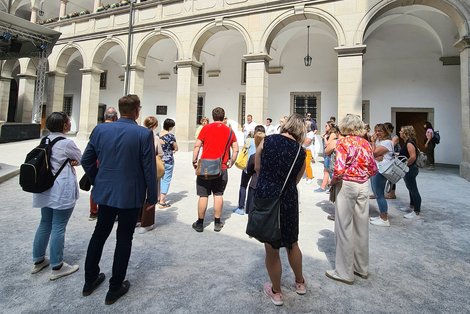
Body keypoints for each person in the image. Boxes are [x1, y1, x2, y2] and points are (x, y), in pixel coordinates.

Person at [81, 94, 157, 305]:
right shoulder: (143, 134)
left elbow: (86, 160)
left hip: (105, 193)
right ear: (136, 111)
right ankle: (114, 287)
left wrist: (99, 179)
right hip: (130, 195)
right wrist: (151, 196)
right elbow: (149, 168)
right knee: (124, 239)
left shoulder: (101, 129)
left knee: (99, 234)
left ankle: (89, 281)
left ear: (119, 109)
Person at [255, 113, 307, 306]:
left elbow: (258, 167)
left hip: (267, 195)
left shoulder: (267, 141)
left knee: (271, 247)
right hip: (288, 199)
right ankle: (300, 283)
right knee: (292, 243)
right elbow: (296, 180)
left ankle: (276, 292)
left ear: (287, 125)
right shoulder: (300, 152)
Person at [325, 114, 377, 285]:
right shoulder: (366, 143)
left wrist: (332, 182)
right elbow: (373, 168)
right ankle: (361, 268)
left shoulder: (343, 143)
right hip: (363, 185)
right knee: (361, 226)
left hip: (347, 184)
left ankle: (344, 271)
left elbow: (338, 169)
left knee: (344, 226)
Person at [31, 112, 82, 280]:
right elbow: (80, 158)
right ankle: (57, 266)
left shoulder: (45, 140)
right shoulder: (67, 143)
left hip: (45, 187)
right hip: (60, 189)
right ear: (65, 125)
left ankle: (38, 260)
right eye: (68, 122)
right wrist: (72, 161)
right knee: (59, 226)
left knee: (45, 223)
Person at [192, 107, 238, 232]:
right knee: (218, 194)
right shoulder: (229, 131)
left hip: (205, 166)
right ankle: (217, 223)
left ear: (213, 117)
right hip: (221, 167)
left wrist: (194, 160)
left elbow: (197, 145)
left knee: (203, 195)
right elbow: (236, 149)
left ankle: (200, 223)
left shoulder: (205, 128)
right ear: (223, 117)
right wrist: (232, 162)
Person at [89, 106, 118, 221]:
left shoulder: (97, 128)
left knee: (96, 186)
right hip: (111, 161)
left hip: (98, 160)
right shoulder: (117, 129)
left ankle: (93, 211)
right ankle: (108, 210)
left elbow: (90, 149)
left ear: (105, 116)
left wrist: (91, 172)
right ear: (115, 117)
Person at [137, 116, 163, 234]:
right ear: (155, 125)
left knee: (139, 193)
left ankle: (137, 219)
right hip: (151, 168)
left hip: (138, 168)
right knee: (151, 194)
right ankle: (146, 223)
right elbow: (160, 153)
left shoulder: (138, 134)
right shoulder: (155, 137)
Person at [234, 125, 265, 215]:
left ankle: (241, 207)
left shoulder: (249, 140)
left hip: (248, 165)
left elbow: (244, 149)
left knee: (243, 185)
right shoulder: (265, 142)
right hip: (259, 166)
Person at [369, 124, 394, 227]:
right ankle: (382, 215)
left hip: (381, 170)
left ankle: (384, 219)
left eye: (380, 131)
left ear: (385, 132)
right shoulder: (381, 142)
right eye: (376, 131)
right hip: (377, 168)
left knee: (379, 194)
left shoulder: (387, 142)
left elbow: (373, 153)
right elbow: (373, 154)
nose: (377, 133)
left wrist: (373, 143)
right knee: (377, 193)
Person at [399, 126, 422, 219]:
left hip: (410, 169)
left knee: (413, 188)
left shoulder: (409, 143)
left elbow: (412, 157)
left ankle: (416, 211)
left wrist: (405, 165)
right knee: (410, 187)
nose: (399, 132)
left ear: (406, 133)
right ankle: (412, 206)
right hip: (410, 169)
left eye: (401, 131)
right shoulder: (408, 142)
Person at [158, 118, 178, 208]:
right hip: (168, 160)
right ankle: (162, 201)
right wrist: (173, 150)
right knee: (166, 179)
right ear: (170, 127)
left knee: (158, 179)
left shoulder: (157, 135)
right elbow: (176, 147)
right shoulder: (170, 136)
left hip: (158, 160)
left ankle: (157, 197)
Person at [315, 121, 338, 192]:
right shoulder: (328, 133)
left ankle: (331, 187)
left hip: (330, 154)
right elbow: (322, 136)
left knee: (329, 171)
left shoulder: (333, 134)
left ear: (330, 126)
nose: (325, 127)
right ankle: (324, 186)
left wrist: (325, 138)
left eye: (326, 126)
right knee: (326, 170)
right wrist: (325, 134)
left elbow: (327, 144)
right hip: (326, 154)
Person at [384, 122, 400, 199]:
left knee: (391, 177)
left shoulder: (394, 137)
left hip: (393, 159)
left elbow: (390, 146)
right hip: (386, 158)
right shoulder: (386, 136)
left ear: (390, 129)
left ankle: (392, 194)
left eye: (385, 128)